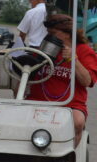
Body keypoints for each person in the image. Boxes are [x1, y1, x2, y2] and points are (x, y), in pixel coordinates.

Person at [27, 15, 97, 146]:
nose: (48, 37)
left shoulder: (84, 51)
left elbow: (87, 81)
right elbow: (29, 70)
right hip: (38, 100)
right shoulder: (45, 48)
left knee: (77, 122)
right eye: (48, 33)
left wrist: (73, 60)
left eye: (53, 33)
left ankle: (70, 157)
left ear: (67, 34)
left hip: (71, 103)